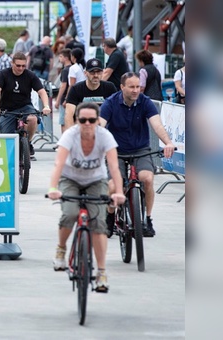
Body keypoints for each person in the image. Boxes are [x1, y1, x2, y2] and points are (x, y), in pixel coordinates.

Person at [48, 102, 126, 293]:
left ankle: (101, 272)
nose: (88, 123)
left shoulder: (105, 136)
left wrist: (119, 192)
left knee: (98, 223)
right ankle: (61, 249)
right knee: (69, 213)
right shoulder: (69, 136)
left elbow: (114, 167)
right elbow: (58, 163)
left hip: (95, 181)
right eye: (83, 120)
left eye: (92, 120)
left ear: (98, 121)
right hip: (70, 179)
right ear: (77, 121)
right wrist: (52, 188)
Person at [100, 72, 176, 237]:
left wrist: (168, 142)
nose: (136, 90)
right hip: (116, 151)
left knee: (147, 179)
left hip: (140, 149)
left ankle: (147, 219)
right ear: (122, 87)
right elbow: (100, 126)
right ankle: (110, 215)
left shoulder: (145, 102)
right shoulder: (110, 103)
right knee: (113, 186)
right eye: (131, 87)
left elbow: (157, 125)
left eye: (138, 87)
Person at [0, 52, 52, 160]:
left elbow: (42, 91)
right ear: (12, 63)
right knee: (6, 138)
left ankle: (27, 143)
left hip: (25, 106)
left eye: (23, 66)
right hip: (7, 108)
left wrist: (46, 106)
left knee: (33, 119)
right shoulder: (4, 74)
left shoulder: (30, 75)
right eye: (18, 65)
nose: (21, 68)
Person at [64, 58, 117, 131]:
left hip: (104, 130)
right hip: (82, 129)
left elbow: (116, 110)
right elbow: (69, 114)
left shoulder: (109, 87)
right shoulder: (76, 89)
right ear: (85, 73)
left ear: (103, 72)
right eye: (92, 72)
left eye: (99, 72)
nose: (96, 75)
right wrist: (72, 135)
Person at [54, 48, 72, 132]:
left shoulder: (65, 70)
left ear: (66, 58)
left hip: (64, 98)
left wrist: (58, 100)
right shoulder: (73, 68)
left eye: (61, 56)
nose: (59, 58)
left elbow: (63, 86)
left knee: (63, 122)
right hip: (70, 99)